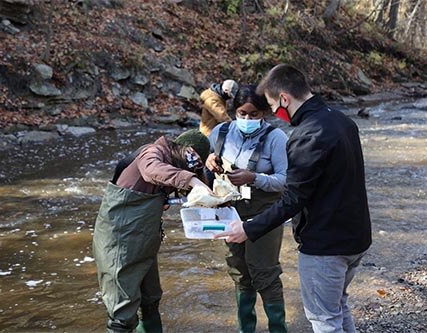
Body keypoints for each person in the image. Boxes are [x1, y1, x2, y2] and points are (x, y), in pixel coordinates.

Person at [216, 64, 372, 333]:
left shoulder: (307, 136)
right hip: (356, 237)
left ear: (285, 99)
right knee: (339, 307)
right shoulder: (342, 120)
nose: (276, 115)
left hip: (326, 245)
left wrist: (248, 228)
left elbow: (292, 199)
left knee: (324, 320)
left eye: (274, 107)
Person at [93, 129, 211, 333]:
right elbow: (152, 170)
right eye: (192, 161)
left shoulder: (175, 162)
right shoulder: (152, 152)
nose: (192, 167)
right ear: (183, 150)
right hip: (119, 242)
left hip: (144, 241)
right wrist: (191, 180)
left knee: (150, 299)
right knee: (122, 312)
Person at [206, 84, 289, 333]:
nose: (247, 119)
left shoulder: (276, 138)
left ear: (264, 112)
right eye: (242, 113)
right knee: (239, 272)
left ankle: (278, 329)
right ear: (234, 111)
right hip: (231, 210)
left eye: (254, 114)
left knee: (265, 272)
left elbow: (286, 181)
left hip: (265, 212)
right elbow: (204, 175)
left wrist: (254, 177)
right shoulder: (220, 132)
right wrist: (209, 163)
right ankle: (246, 329)